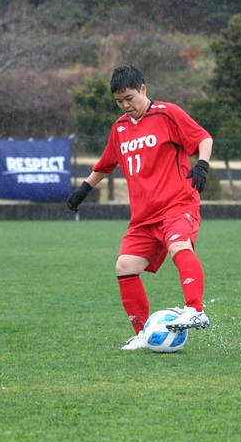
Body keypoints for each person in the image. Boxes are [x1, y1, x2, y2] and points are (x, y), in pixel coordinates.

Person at [66, 65, 214, 350]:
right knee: (125, 266)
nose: (126, 105)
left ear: (143, 89)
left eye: (130, 98)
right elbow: (105, 164)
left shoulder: (167, 113)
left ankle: (195, 309)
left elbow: (203, 138)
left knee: (178, 246)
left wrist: (202, 165)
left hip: (177, 204)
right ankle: (145, 333)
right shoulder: (120, 128)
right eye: (120, 101)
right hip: (144, 217)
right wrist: (84, 189)